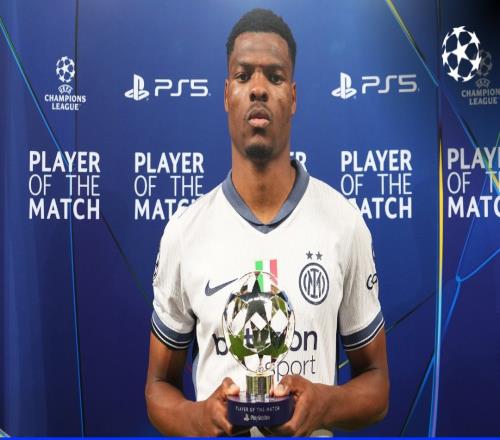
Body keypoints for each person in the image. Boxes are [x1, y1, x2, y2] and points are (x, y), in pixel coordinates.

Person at [145, 8, 389, 437]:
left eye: (274, 77)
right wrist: (198, 418)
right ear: (227, 94)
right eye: (243, 76)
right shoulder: (185, 233)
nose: (258, 88)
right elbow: (158, 387)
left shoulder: (343, 223)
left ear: (292, 97)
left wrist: (324, 404)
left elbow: (377, 385)